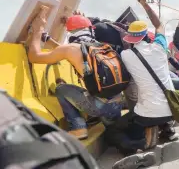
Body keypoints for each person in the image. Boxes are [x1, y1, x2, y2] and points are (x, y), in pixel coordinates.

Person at [28, 8, 123, 140]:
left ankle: (78, 129)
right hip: (117, 106)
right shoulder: (102, 47)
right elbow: (67, 52)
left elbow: (34, 57)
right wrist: (48, 39)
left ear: (71, 33)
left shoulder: (71, 49)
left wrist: (37, 31)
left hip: (101, 107)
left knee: (61, 89)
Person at [119, 0, 179, 149]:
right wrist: (144, 4)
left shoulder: (126, 55)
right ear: (147, 36)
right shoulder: (160, 48)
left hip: (146, 115)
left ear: (130, 38)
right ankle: (167, 129)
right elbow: (159, 24)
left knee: (113, 130)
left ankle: (138, 146)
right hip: (172, 110)